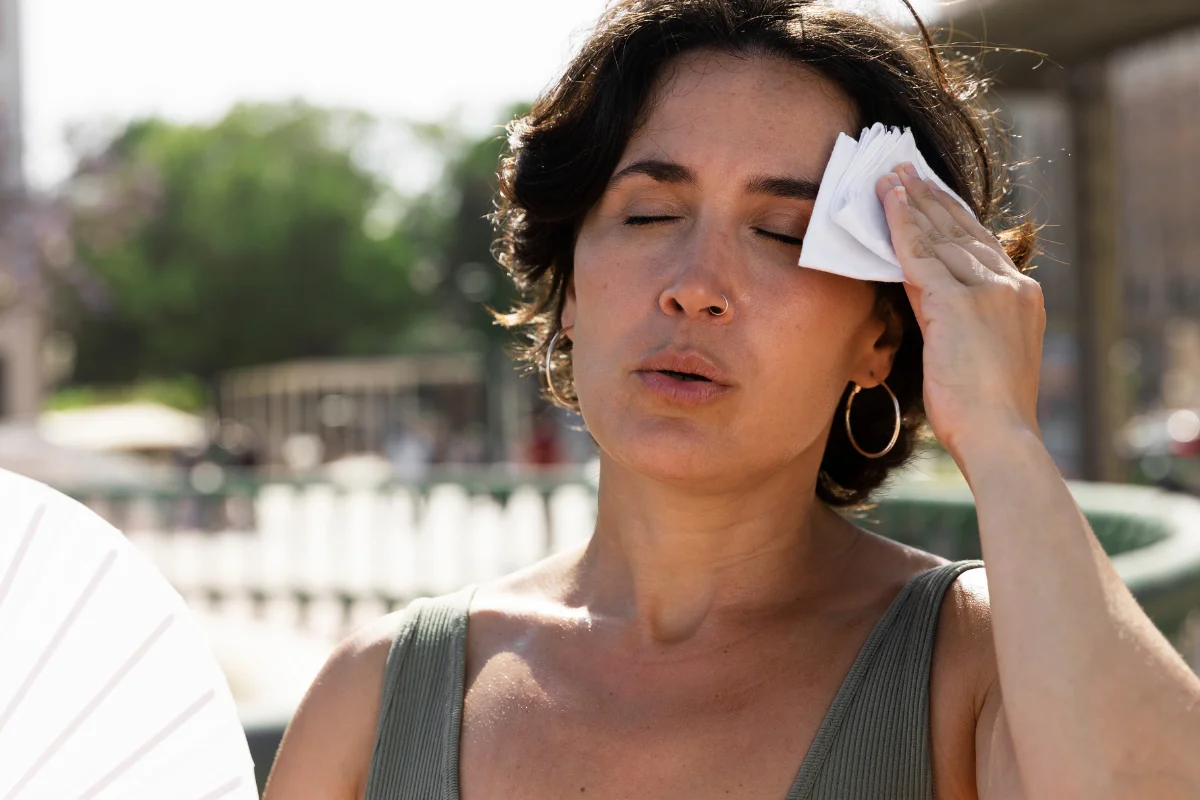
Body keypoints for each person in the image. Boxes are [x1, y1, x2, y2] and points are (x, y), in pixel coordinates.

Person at [263, 2, 1200, 798]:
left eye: (783, 232)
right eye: (649, 214)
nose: (696, 286)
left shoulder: (977, 665)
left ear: (882, 335)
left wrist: (1001, 436)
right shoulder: (376, 695)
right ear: (570, 286)